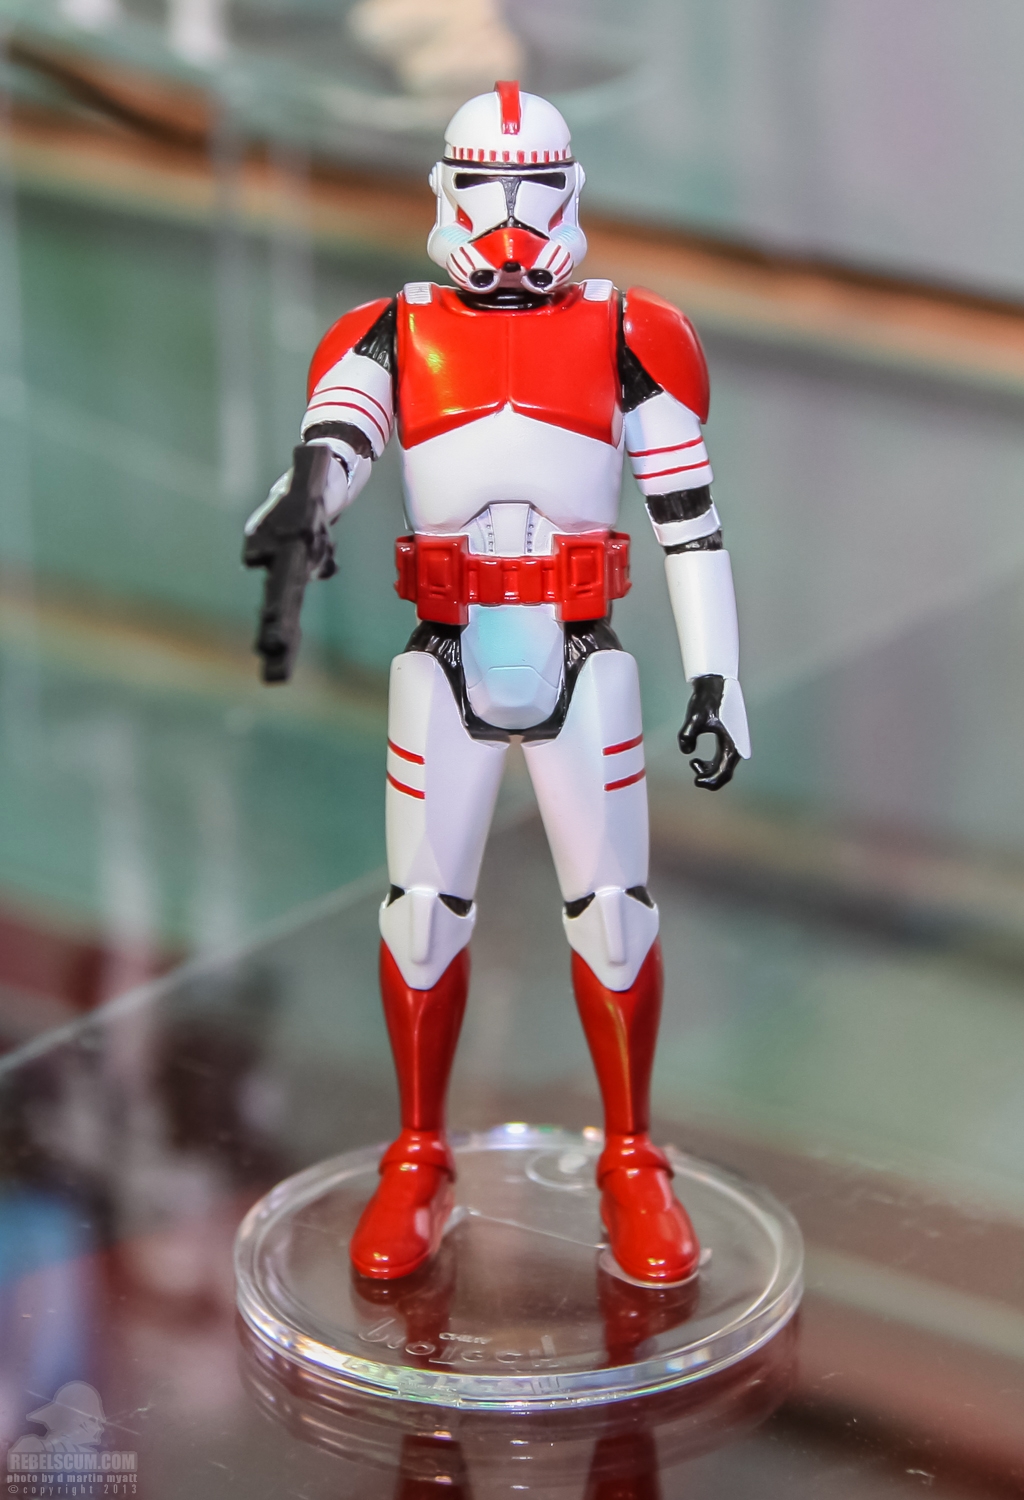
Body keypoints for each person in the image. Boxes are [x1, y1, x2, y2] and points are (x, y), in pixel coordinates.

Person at [245, 81, 750, 1286]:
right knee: (422, 912)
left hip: (582, 651)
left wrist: (717, 677)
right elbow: (340, 440)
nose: (510, 223)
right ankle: (417, 1154)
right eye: (485, 190)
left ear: (570, 192)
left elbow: (689, 523)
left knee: (614, 911)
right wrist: (304, 498)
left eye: (533, 192)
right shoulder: (388, 331)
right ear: (446, 188)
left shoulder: (632, 333)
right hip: (445, 649)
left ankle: (631, 1159)